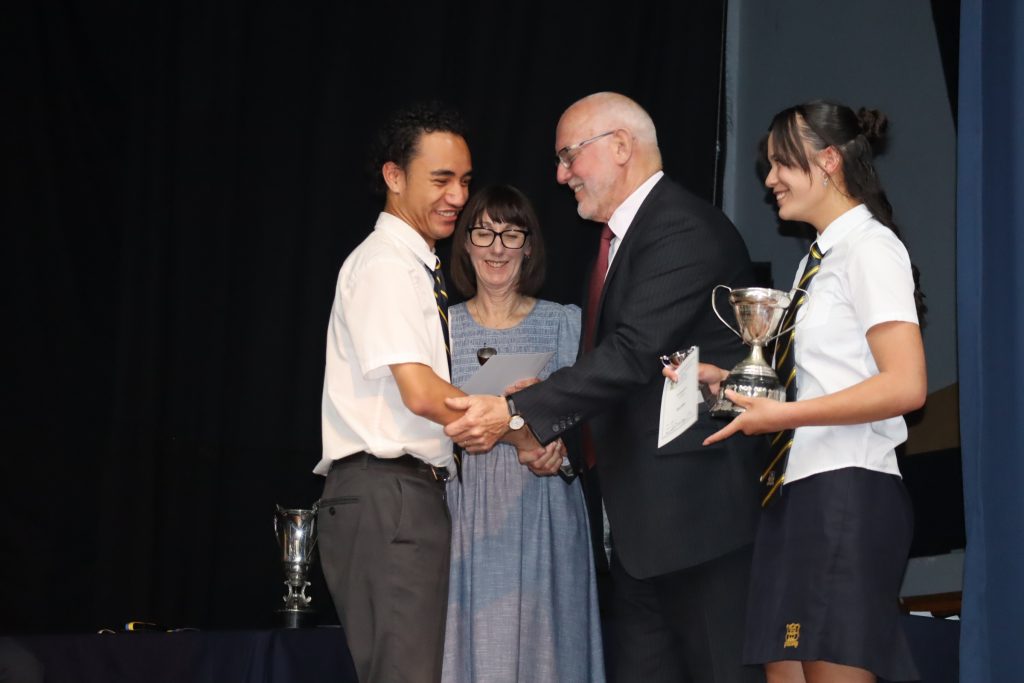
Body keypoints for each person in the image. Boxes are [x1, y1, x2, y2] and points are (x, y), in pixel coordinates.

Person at [445, 92, 765, 683]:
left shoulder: (680, 227)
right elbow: (628, 381)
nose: (561, 174)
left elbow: (632, 354)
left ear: (620, 147)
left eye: (569, 155)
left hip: (697, 528)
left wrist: (518, 409)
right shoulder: (628, 239)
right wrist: (563, 444)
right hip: (643, 536)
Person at [672, 101, 926, 683]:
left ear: (829, 160)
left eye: (781, 164)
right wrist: (731, 383)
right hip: (794, 494)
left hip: (848, 491)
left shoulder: (870, 248)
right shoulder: (818, 259)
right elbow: (821, 379)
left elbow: (907, 385)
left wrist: (783, 416)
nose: (769, 180)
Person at [314, 102, 539, 683]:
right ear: (394, 176)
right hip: (388, 495)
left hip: (397, 498)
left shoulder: (415, 266)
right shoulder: (387, 265)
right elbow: (419, 393)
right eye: (441, 179)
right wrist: (517, 428)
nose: (458, 196)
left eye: (464, 180)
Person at [441, 184, 604, 682]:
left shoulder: (563, 325)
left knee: (548, 656)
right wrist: (519, 422)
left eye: (511, 235)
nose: (497, 248)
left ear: (528, 247)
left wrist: (561, 448)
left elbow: (592, 426)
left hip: (544, 509)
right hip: (464, 515)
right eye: (484, 233)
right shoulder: (440, 328)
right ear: (465, 244)